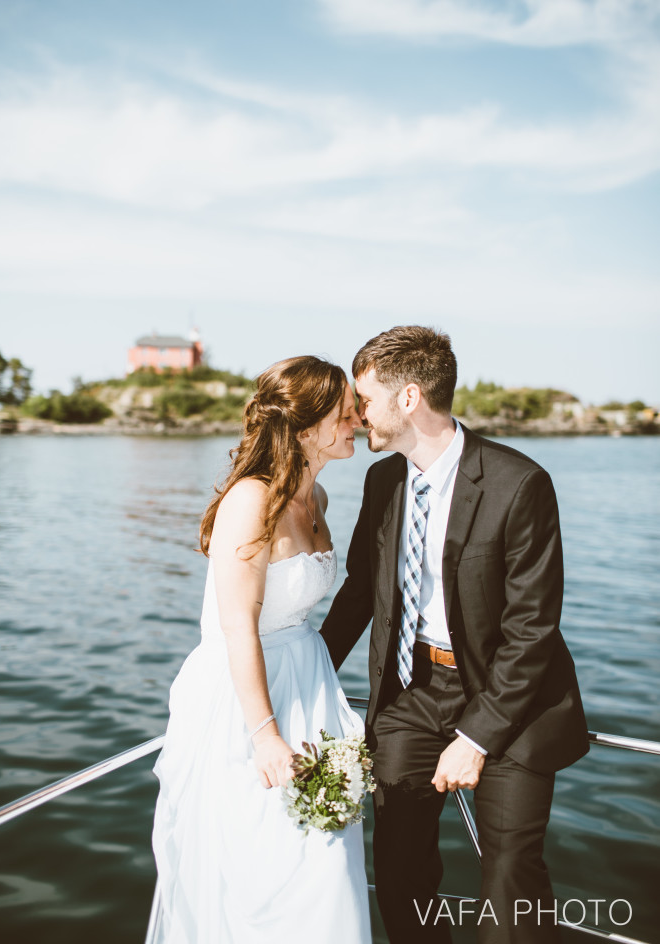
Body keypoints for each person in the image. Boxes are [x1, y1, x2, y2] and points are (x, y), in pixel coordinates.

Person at [320, 326, 590, 944]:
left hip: (511, 702)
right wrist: (306, 672)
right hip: (411, 695)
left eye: (366, 399)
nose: (359, 415)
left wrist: (477, 736)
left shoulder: (519, 483)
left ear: (408, 398)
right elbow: (360, 592)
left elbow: (532, 631)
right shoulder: (382, 482)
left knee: (510, 881)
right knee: (398, 873)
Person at [152, 356, 371, 944]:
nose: (358, 418)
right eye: (345, 410)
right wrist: (265, 735)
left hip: (310, 685)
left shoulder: (317, 496)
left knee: (327, 864)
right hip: (250, 698)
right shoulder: (251, 501)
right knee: (267, 865)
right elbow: (237, 628)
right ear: (306, 427)